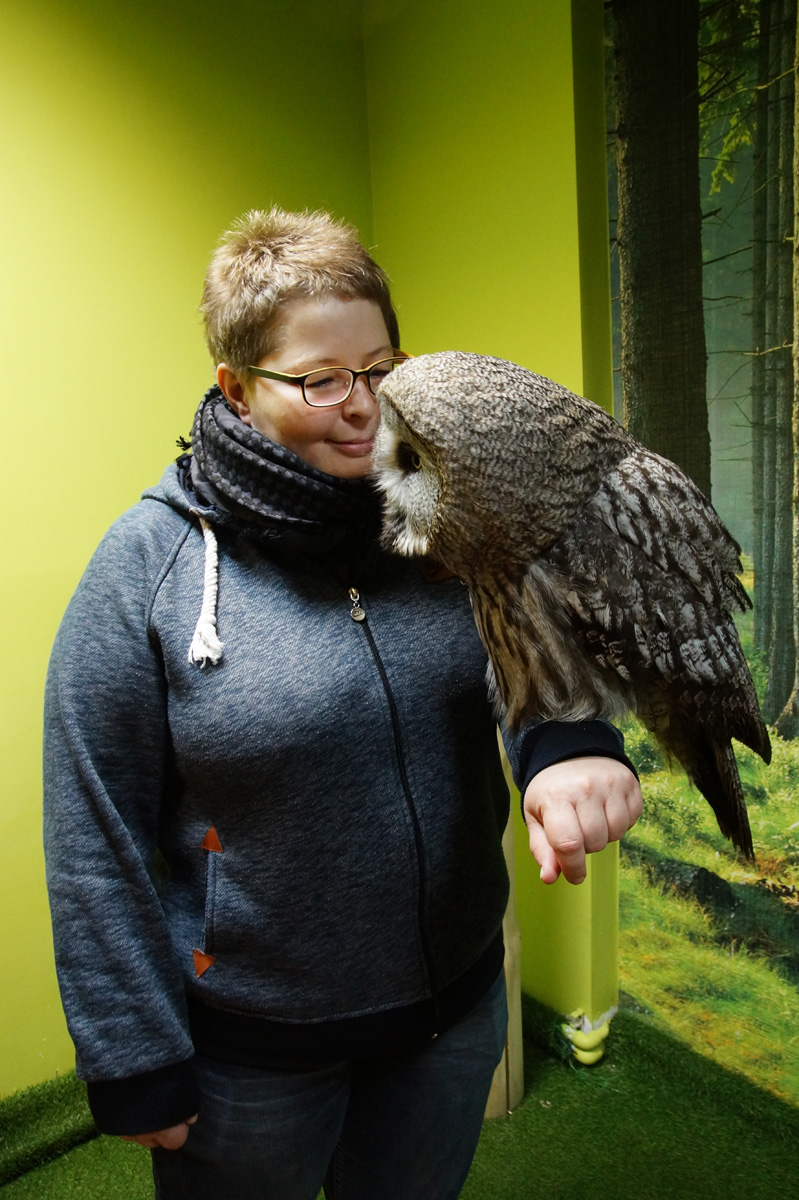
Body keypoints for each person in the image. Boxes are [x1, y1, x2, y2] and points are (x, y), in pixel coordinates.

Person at [43, 208, 642, 1200]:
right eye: (320, 379)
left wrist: (571, 741)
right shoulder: (147, 567)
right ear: (235, 387)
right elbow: (90, 831)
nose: (364, 405)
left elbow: (533, 656)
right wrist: (133, 1057)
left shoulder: (448, 509)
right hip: (252, 1053)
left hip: (451, 1017)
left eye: (381, 368)